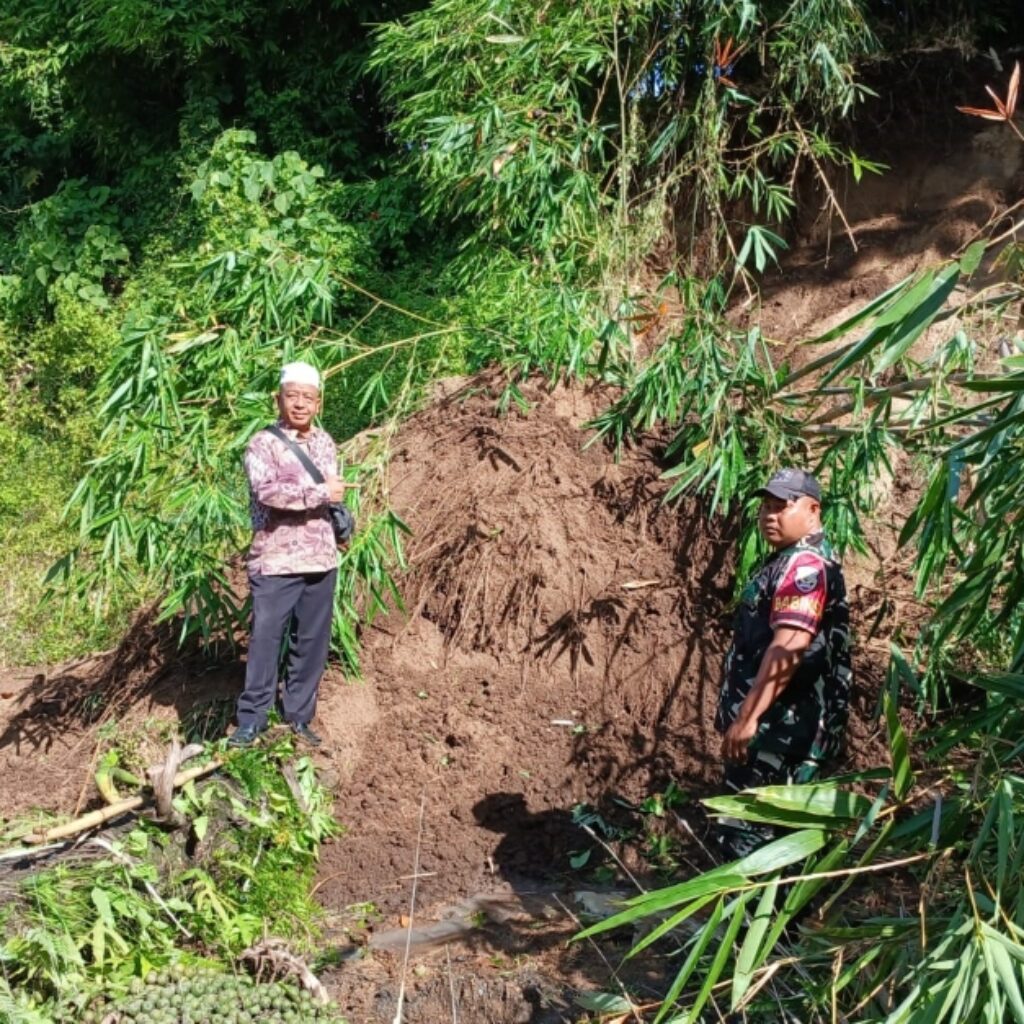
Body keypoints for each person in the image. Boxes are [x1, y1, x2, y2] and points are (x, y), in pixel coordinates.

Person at [713, 468, 852, 859]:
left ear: (813, 510)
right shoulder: (790, 561)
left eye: (781, 507)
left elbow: (789, 645)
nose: (769, 516)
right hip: (781, 731)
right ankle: (777, 920)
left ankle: (758, 921)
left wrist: (747, 717)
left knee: (752, 847)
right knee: (779, 846)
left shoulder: (805, 566)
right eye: (765, 508)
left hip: (780, 733)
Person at [228, 361, 348, 748]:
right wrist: (321, 494)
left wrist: (340, 519)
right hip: (276, 559)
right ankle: (251, 721)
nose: (299, 404)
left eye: (307, 398)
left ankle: (298, 717)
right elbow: (268, 492)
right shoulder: (263, 444)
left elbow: (333, 492)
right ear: (278, 398)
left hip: (321, 559)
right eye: (292, 396)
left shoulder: (325, 442)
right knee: (265, 639)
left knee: (311, 642)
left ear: (319, 402)